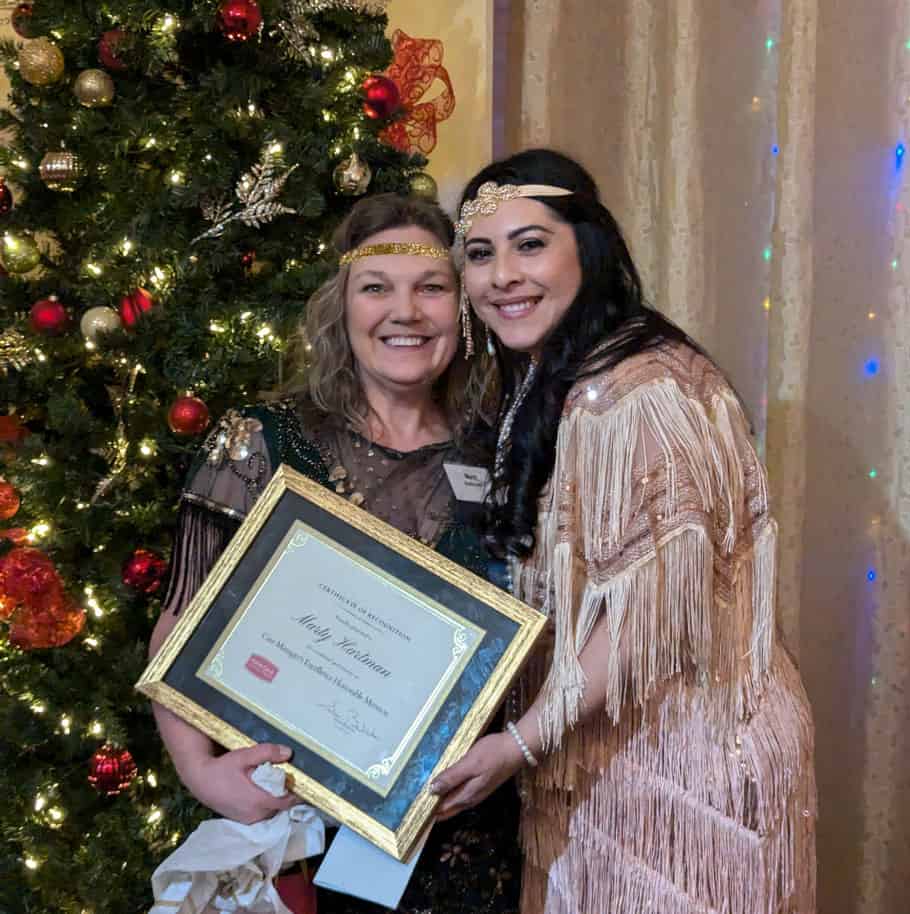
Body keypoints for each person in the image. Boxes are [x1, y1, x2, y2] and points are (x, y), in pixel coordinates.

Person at [430, 150, 817, 914]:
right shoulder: (557, 378)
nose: (502, 275)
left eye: (530, 244)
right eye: (479, 253)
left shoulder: (639, 391)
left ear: (589, 247)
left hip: (686, 773)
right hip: (611, 760)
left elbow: (647, 618)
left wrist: (519, 742)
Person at [148, 193, 520, 914]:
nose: (405, 312)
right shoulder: (262, 439)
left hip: (469, 832)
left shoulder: (501, 450)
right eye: (376, 287)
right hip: (298, 828)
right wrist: (201, 771)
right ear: (340, 308)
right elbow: (180, 623)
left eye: (431, 287)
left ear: (463, 308)